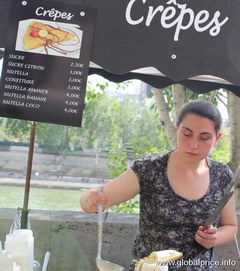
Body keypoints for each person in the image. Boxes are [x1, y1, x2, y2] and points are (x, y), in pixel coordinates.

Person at [80, 100, 238, 270]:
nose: (194, 144)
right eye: (187, 134)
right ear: (177, 129)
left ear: (217, 139)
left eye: (204, 138)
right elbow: (97, 199)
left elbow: (230, 226)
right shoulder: (149, 169)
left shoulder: (222, 175)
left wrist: (215, 238)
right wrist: (88, 199)